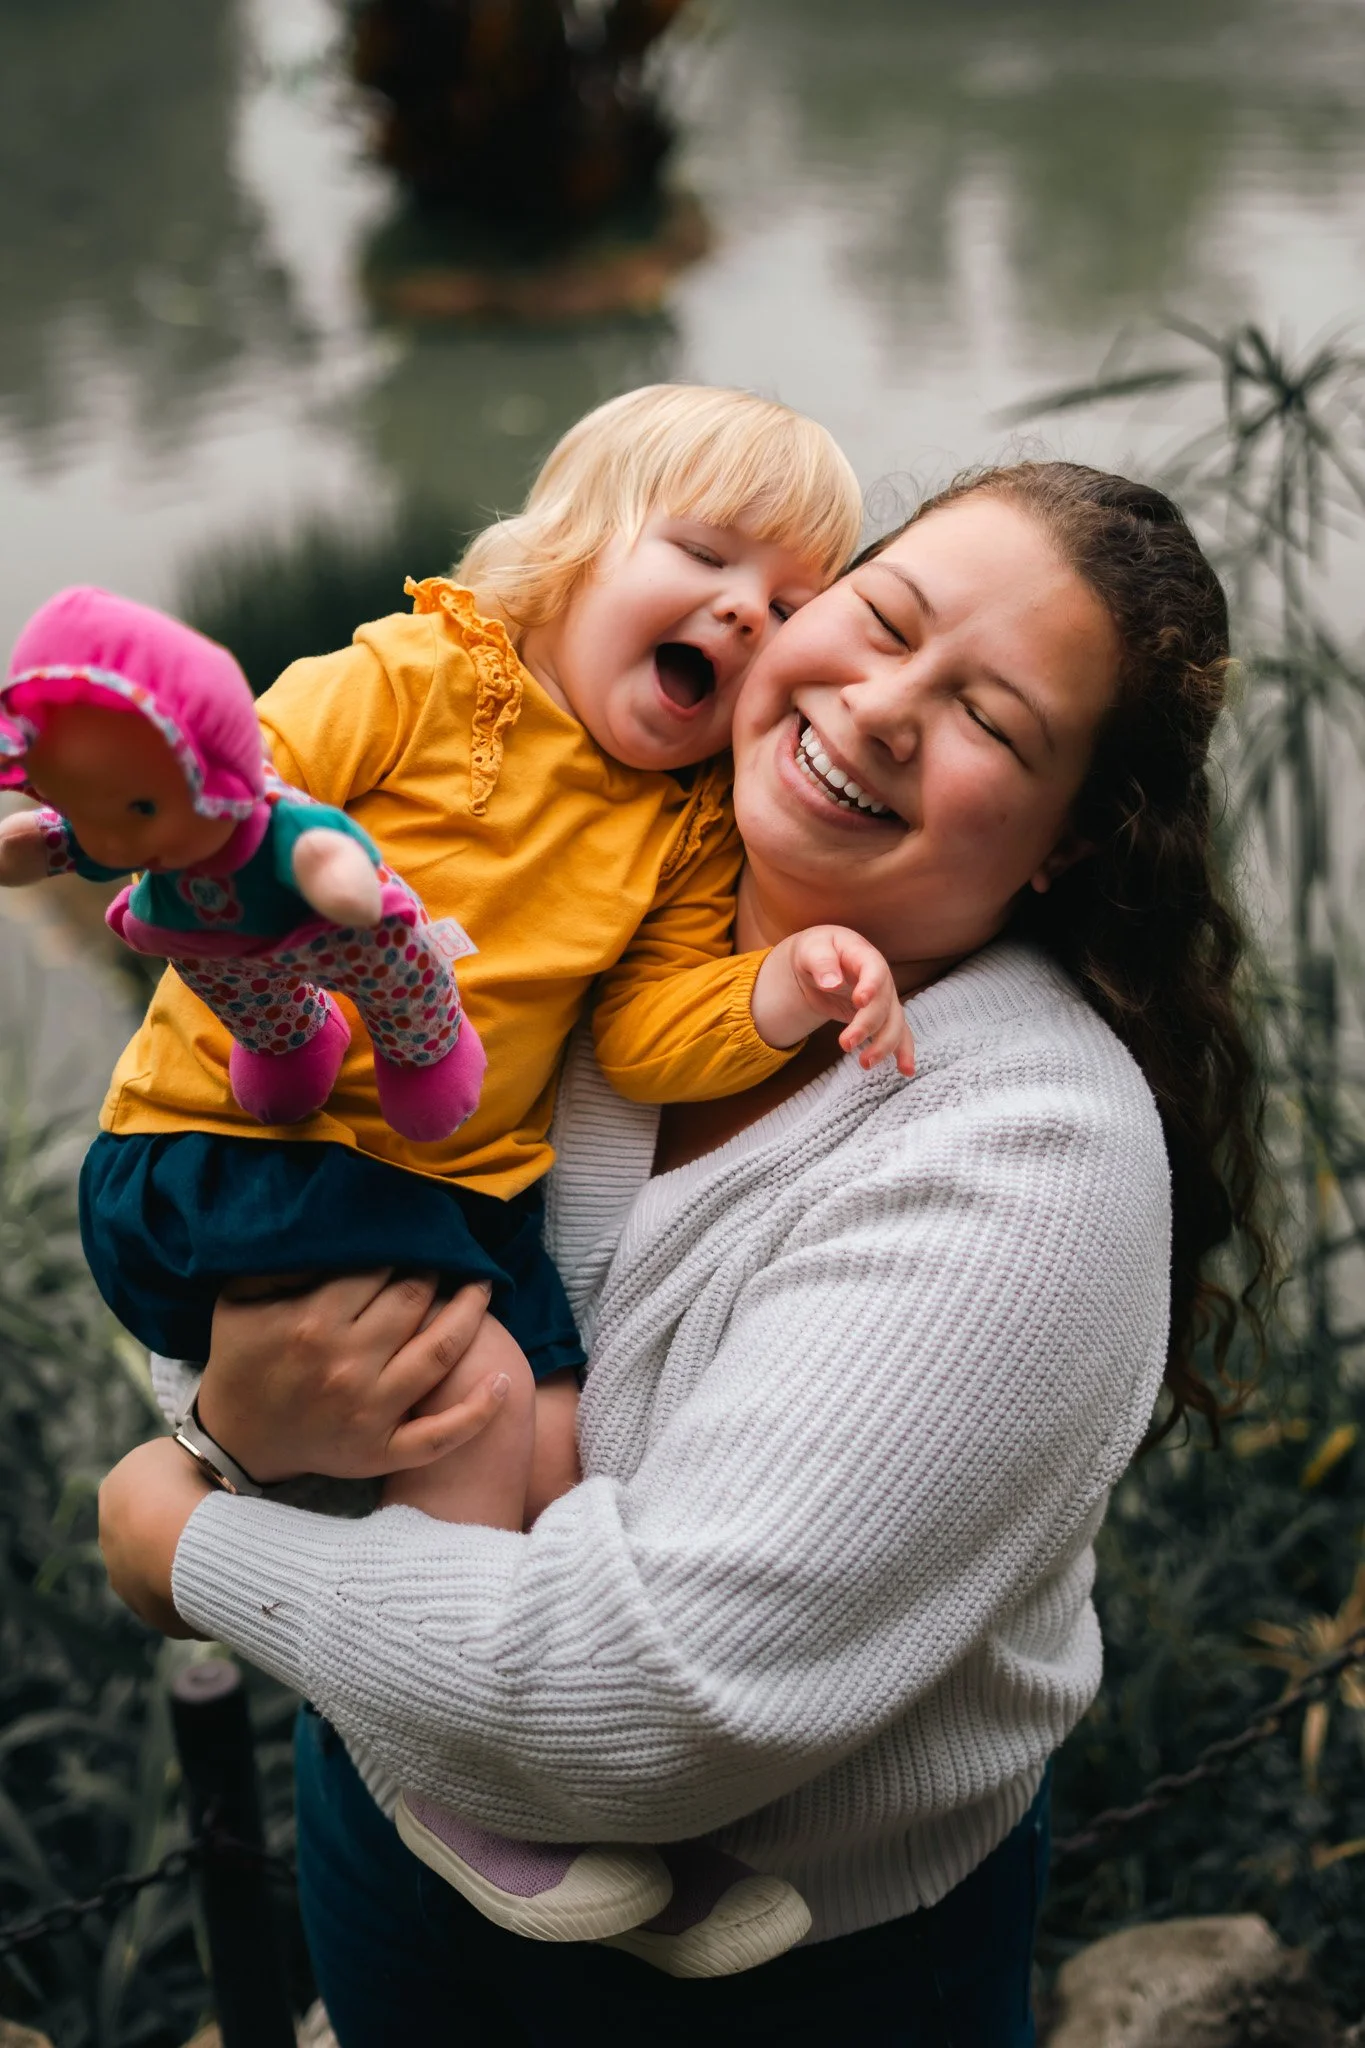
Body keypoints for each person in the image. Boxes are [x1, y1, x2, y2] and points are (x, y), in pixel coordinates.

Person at [100, 462, 1274, 2046]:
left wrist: (182, 1539)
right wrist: (226, 1426)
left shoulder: (1032, 1150)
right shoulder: (579, 885)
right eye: (882, 618)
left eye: (992, 720)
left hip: (792, 1981)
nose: (876, 710)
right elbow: (249, 1209)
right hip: (383, 1836)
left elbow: (651, 1705)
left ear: (1069, 840)